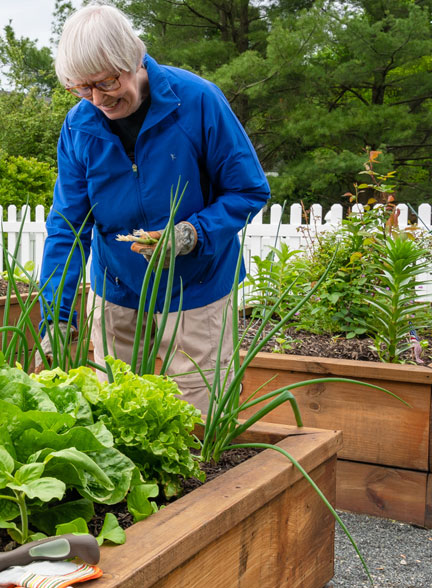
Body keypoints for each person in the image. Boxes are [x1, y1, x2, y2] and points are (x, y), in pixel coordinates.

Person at [37, 3, 270, 410]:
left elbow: (248, 191)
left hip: (196, 286)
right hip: (116, 287)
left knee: (198, 413)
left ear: (132, 58)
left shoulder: (197, 101)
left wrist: (191, 234)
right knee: (116, 410)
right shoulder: (79, 126)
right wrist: (56, 316)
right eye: (81, 88)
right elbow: (67, 226)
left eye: (106, 82)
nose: (97, 99)